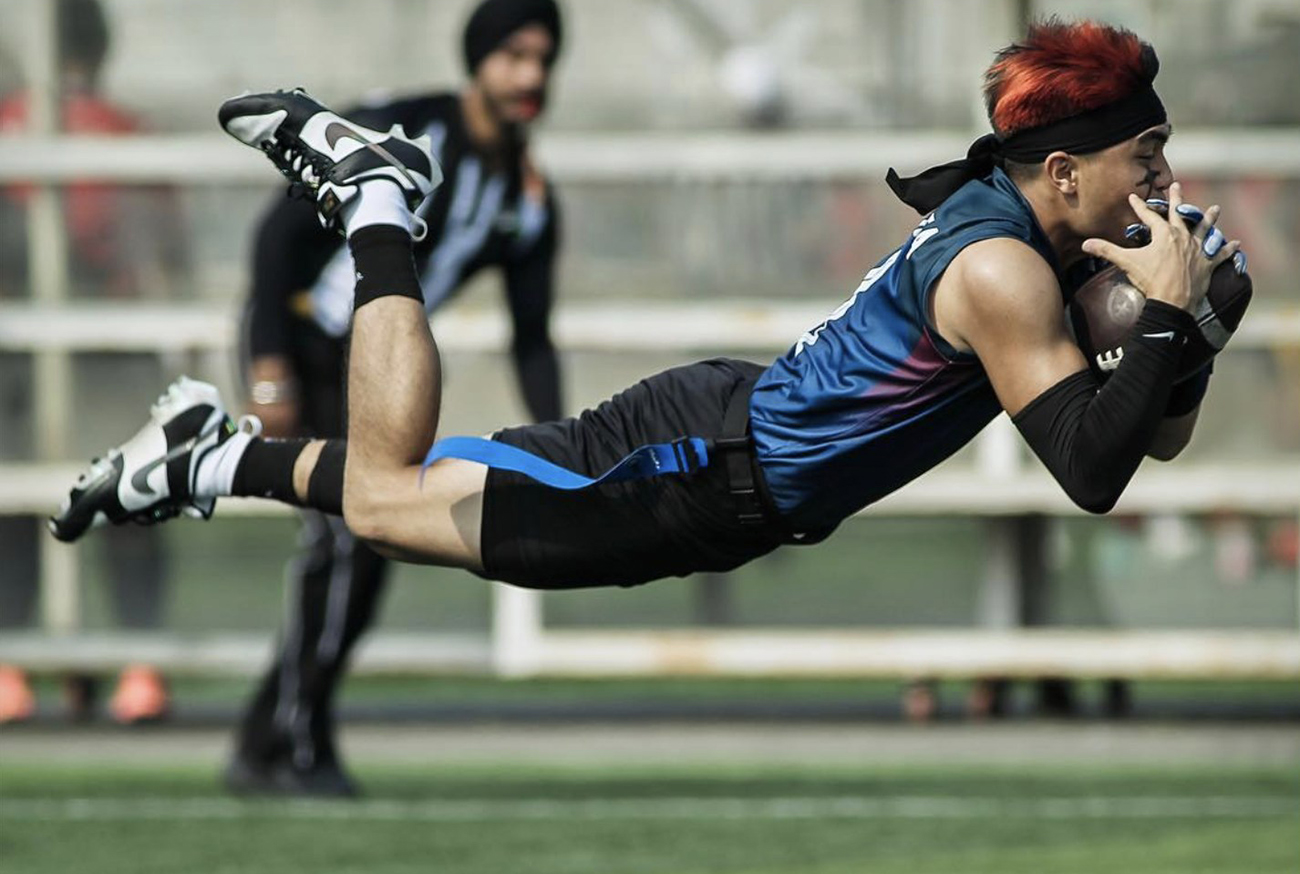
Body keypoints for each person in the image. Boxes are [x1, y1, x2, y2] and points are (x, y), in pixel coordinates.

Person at [51, 22, 1242, 684]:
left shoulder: (1052, 249)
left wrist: (1185, 338)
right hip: (695, 471)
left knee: (402, 497)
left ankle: (205, 458)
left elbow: (1154, 438)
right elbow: (1091, 472)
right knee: (383, 496)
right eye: (1145, 152)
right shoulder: (1002, 271)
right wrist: (1176, 321)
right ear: (1066, 169)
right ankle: (376, 208)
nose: (1163, 180)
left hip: (710, 440)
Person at [225, 0, 565, 797]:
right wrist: (267, 363)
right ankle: (298, 743)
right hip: (310, 342)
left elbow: (533, 333)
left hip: (374, 368)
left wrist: (559, 442)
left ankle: (267, 736)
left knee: (363, 550)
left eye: (544, 60)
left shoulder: (526, 192)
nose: (530, 77)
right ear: (478, 59)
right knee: (346, 543)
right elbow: (277, 239)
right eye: (514, 55)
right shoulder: (409, 129)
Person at [0, 0, 184, 725]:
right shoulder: (122, 132)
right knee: (129, 501)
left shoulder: (17, 127)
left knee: (16, 506)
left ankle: (14, 662)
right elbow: (165, 256)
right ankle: (137, 663)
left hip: (26, 346)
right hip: (111, 344)